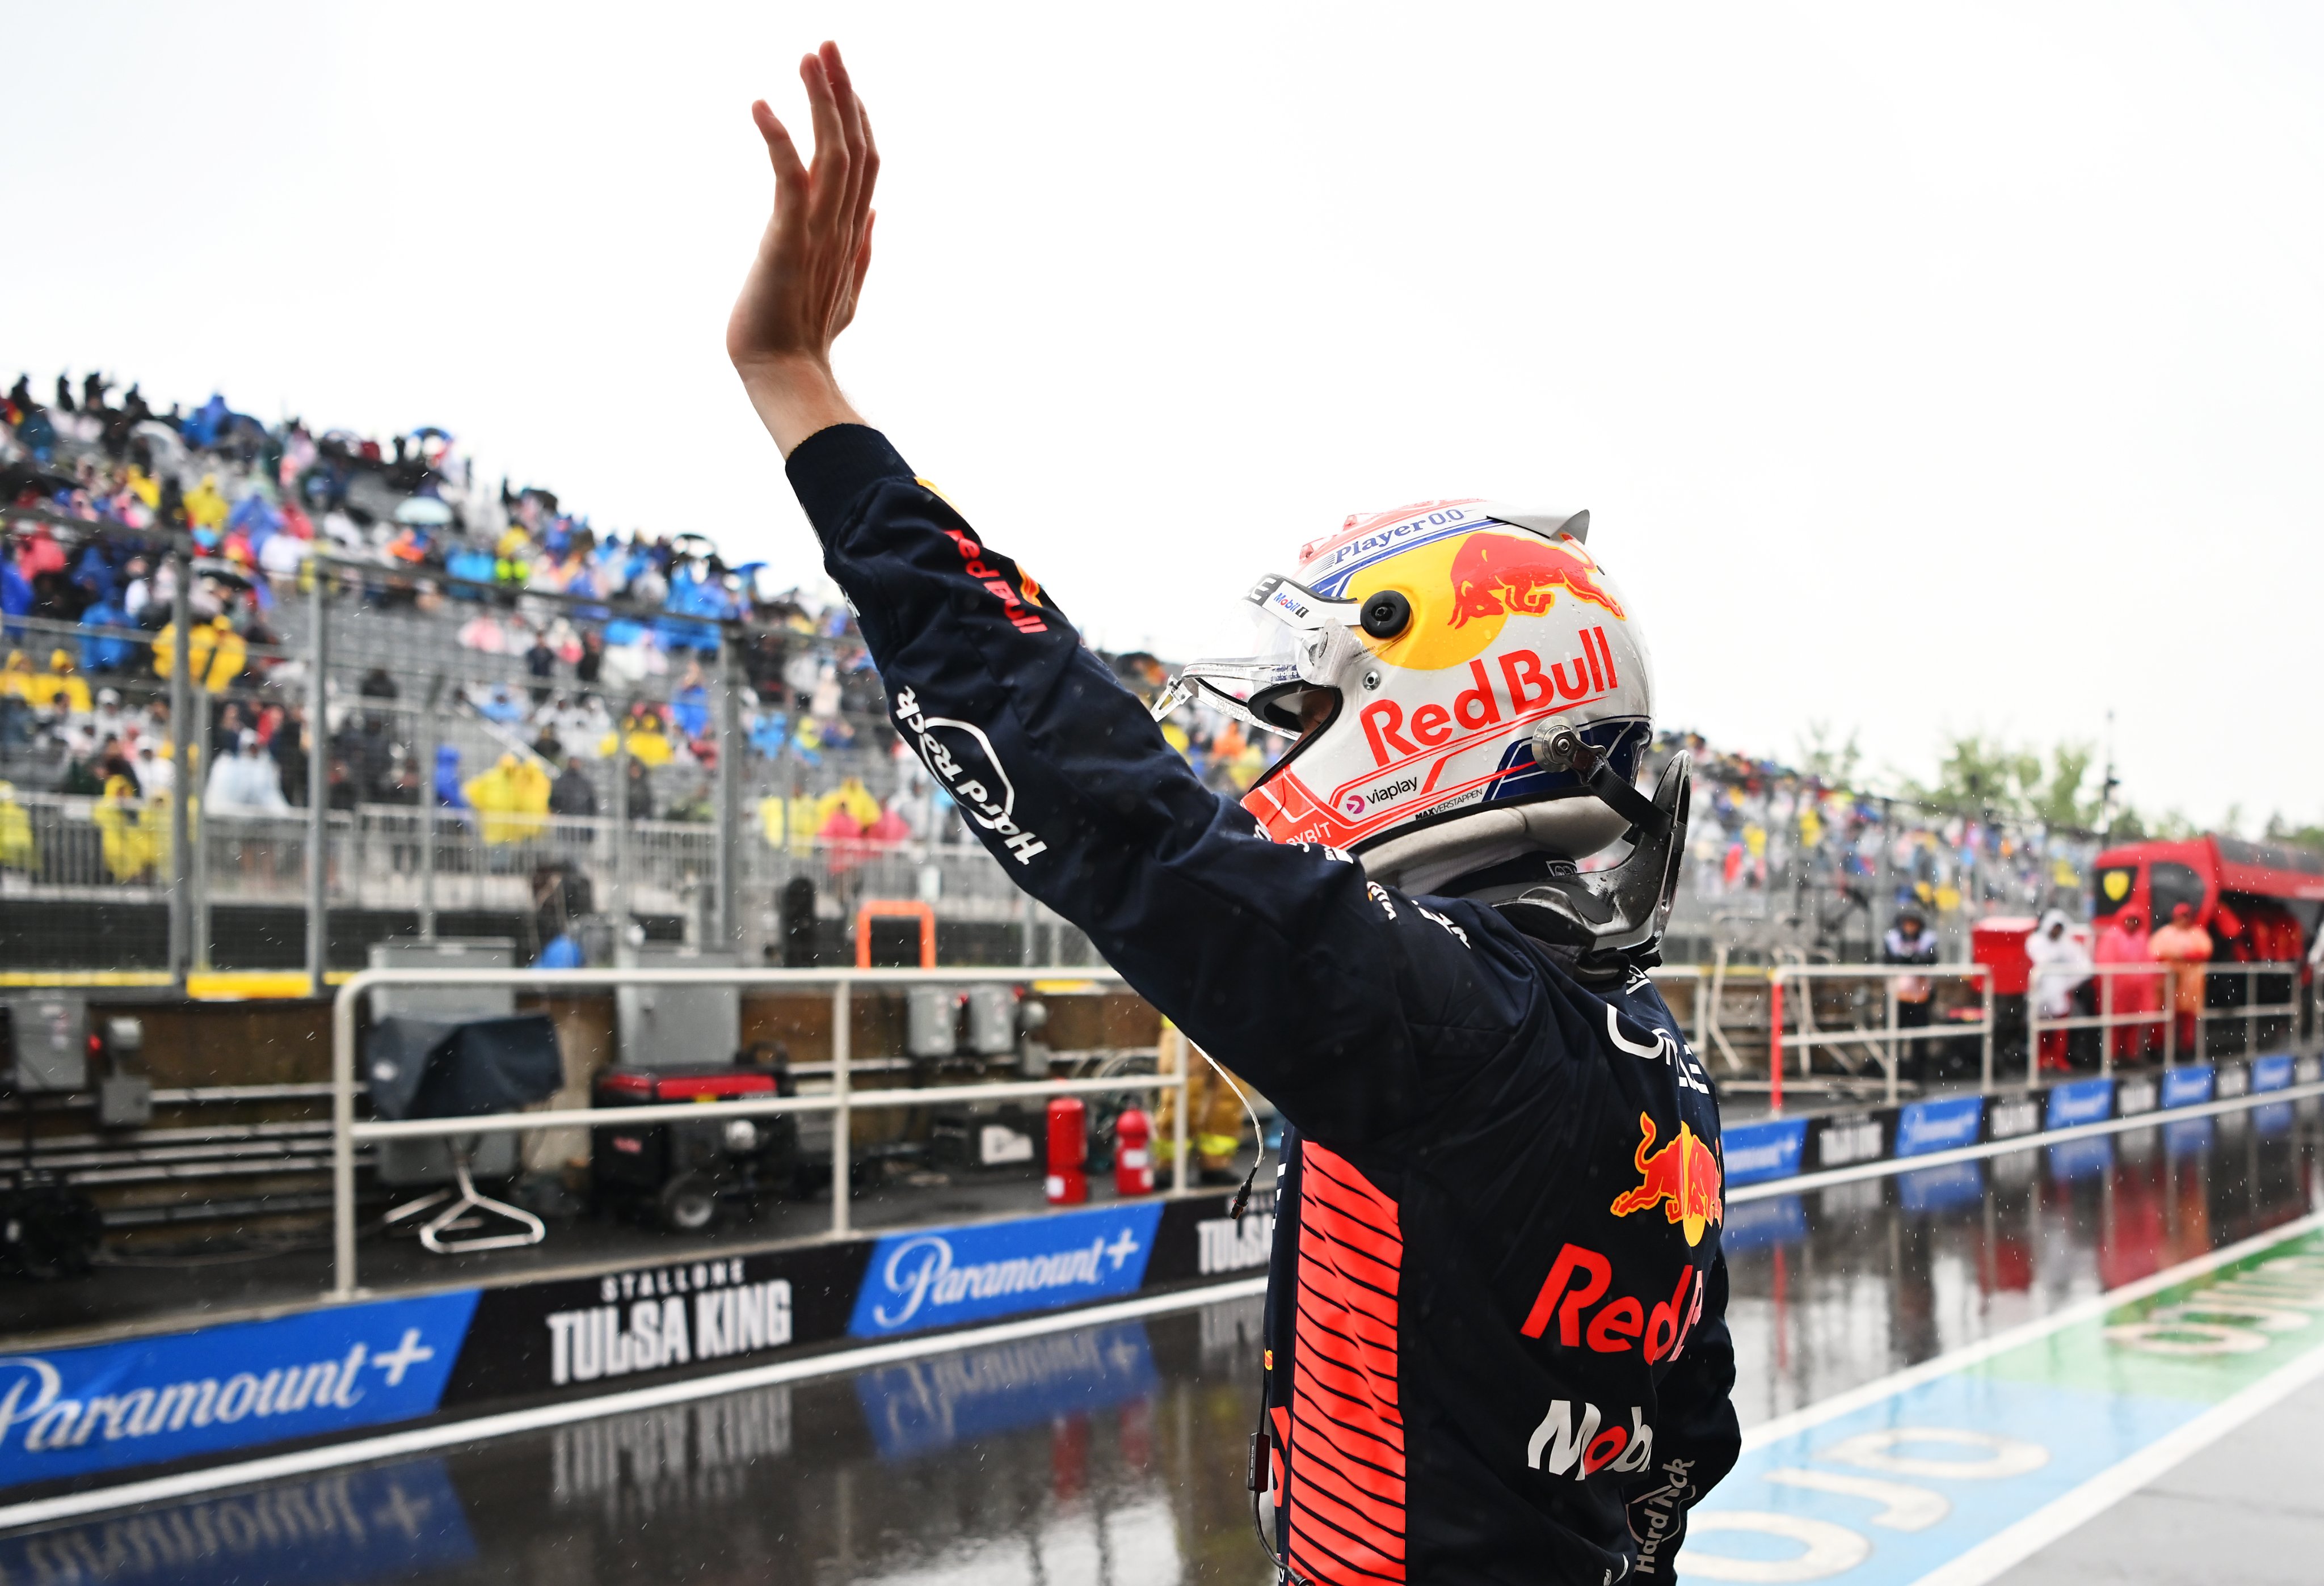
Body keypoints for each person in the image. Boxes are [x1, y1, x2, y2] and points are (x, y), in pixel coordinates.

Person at [723, 45, 1734, 1582]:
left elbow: (1109, 803)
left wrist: (802, 392)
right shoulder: (1651, 1049)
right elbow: (1688, 1439)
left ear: (1460, 709)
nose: (1275, 753)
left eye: (1306, 712)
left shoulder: (1450, 1020)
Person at [2024, 910, 2092, 1073]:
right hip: (2040, 994)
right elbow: (2034, 963)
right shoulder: (2035, 942)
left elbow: (2085, 967)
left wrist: (2069, 983)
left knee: (2060, 1030)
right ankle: (2040, 1059)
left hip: (2060, 995)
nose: (2056, 932)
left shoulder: (2068, 946)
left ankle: (2058, 1058)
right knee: (2040, 1030)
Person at [2092, 909, 2159, 1061]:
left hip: (2136, 992)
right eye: (2130, 920)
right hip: (2117, 991)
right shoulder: (2113, 937)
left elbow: (2149, 962)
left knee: (2134, 1024)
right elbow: (2105, 962)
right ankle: (2113, 1056)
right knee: (2115, 1025)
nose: (2132, 924)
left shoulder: (2141, 938)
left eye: (2135, 921)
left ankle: (2131, 1055)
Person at [2149, 901, 2213, 1058]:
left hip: (2191, 984)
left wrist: (2182, 957)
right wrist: (2174, 959)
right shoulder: (2165, 933)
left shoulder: (2197, 934)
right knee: (2164, 1015)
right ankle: (2159, 1047)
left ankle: (2186, 1048)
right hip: (2168, 983)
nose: (2184, 920)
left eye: (2187, 916)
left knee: (2188, 1016)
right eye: (2182, 916)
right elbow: (2155, 954)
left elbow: (2204, 952)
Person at [1882, 908, 1939, 1076]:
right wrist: (1911, 958)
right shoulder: (1892, 939)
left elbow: (1930, 960)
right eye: (1907, 923)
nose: (1910, 927)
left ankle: (1917, 1074)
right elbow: (1889, 960)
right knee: (1893, 1037)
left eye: (1913, 924)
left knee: (1919, 1040)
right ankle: (1894, 1074)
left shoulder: (1928, 940)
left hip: (1920, 998)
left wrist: (1912, 958)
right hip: (1897, 997)